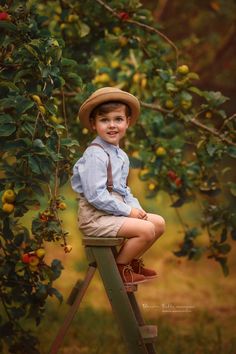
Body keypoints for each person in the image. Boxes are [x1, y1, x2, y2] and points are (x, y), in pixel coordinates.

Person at [71, 87, 165, 285]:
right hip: (95, 218)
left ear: (127, 122)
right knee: (146, 230)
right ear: (93, 124)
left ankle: (131, 261)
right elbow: (95, 196)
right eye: (104, 120)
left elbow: (123, 190)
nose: (112, 125)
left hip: (113, 213)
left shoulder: (120, 155)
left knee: (157, 223)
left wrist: (136, 210)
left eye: (118, 119)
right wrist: (126, 211)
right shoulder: (95, 155)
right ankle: (120, 269)